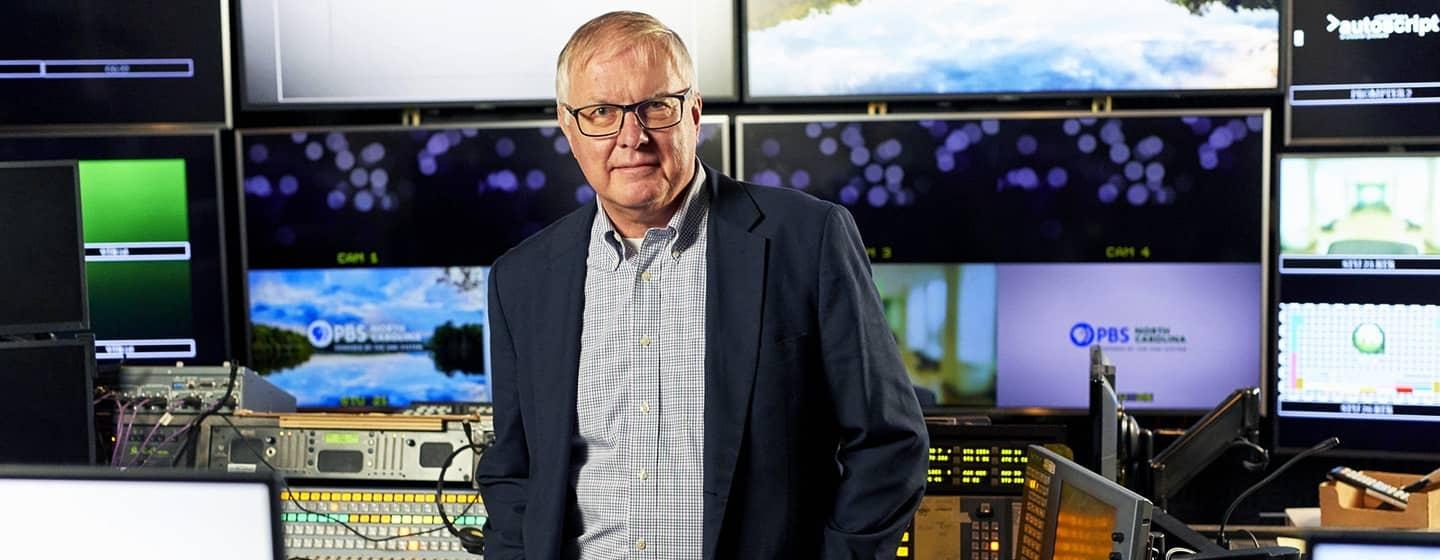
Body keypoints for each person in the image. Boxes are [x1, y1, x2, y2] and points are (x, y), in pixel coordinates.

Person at [476, 11, 928, 559]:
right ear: (569, 128)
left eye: (655, 108)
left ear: (694, 112)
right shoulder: (520, 280)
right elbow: (513, 470)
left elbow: (888, 443)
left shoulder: (807, 240)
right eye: (600, 113)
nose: (632, 137)